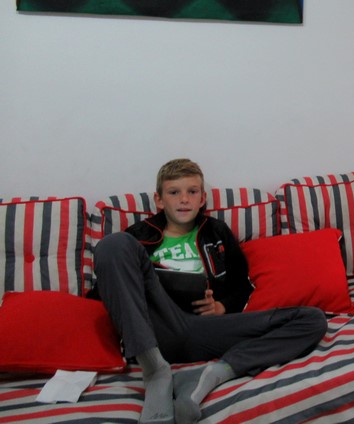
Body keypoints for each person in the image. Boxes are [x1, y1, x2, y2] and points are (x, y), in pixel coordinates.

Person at [92, 159, 328, 424]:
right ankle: (155, 370)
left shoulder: (216, 231)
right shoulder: (139, 235)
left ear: (202, 198)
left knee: (311, 319)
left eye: (192, 192)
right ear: (159, 200)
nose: (184, 199)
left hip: (202, 329)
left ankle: (213, 374)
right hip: (154, 327)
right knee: (112, 244)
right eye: (174, 192)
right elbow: (108, 288)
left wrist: (222, 306)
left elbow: (242, 285)